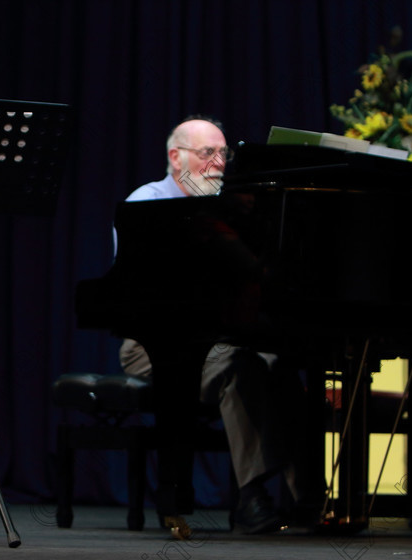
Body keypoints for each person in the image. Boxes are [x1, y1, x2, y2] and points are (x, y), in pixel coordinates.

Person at [117, 116, 310, 535]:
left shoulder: (236, 209)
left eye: (224, 153)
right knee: (237, 367)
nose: (219, 163)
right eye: (208, 153)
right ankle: (252, 495)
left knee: (281, 368)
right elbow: (139, 291)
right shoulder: (146, 205)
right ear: (176, 157)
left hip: (227, 333)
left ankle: (309, 497)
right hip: (153, 342)